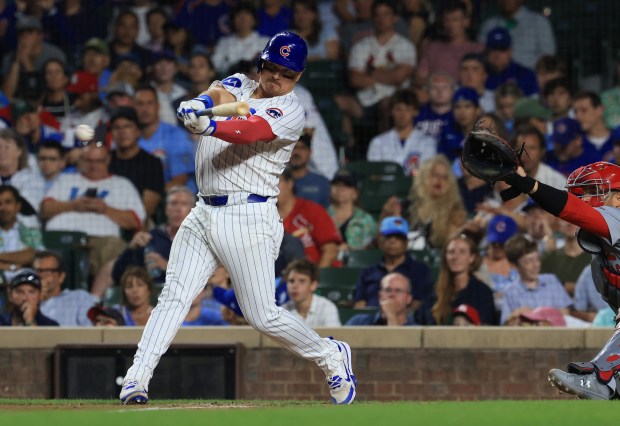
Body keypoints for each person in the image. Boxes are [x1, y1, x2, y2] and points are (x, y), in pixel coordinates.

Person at [119, 32, 357, 406]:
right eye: (272, 68)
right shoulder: (241, 83)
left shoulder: (292, 110)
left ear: (299, 76)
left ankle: (330, 355)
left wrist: (206, 124)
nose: (277, 77)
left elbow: (249, 131)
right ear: (261, 63)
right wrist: (198, 103)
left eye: (287, 73)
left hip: (249, 215)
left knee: (262, 315)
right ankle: (136, 379)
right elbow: (218, 95)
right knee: (173, 298)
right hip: (203, 211)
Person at [40, 143, 146, 278]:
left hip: (100, 241)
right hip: (59, 239)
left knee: (116, 249)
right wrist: (73, 205)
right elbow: (45, 209)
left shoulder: (122, 184)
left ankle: (100, 297)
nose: (93, 165)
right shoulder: (66, 179)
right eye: (88, 160)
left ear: (108, 160)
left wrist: (105, 209)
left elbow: (135, 221)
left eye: (98, 161)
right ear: (81, 161)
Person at [353, 216, 432, 309]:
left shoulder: (419, 270)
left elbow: (418, 303)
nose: (392, 241)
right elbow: (359, 304)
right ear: (380, 242)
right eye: (388, 237)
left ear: (406, 243)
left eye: (398, 237)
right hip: (372, 321)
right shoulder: (368, 273)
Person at [417, 233, 496, 325]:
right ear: (445, 257)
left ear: (471, 258)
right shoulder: (433, 292)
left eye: (462, 252)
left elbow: (486, 325)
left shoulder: (482, 292)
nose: (456, 257)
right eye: (451, 252)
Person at [500, 235, 572, 326]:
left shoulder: (552, 281)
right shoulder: (511, 292)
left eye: (537, 259)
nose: (536, 265)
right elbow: (507, 325)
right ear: (515, 266)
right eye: (528, 261)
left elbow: (566, 314)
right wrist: (515, 317)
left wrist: (534, 314)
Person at [108, 106, 165, 220]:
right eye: (116, 128)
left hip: (138, 222)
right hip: (105, 219)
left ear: (138, 131)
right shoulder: (105, 160)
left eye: (127, 126)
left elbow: (147, 209)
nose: (122, 132)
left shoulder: (152, 164)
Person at [278, 168, 341, 267]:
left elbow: (330, 250)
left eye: (276, 181)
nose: (270, 187)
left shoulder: (311, 210)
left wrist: (314, 279)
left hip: (313, 274)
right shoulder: (264, 215)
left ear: (290, 183)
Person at [366, 89, 436, 176]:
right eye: (398, 109)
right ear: (392, 112)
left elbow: (427, 174)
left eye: (408, 109)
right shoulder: (378, 142)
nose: (402, 114)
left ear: (415, 112)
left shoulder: (427, 142)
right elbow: (373, 174)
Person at [407, 155, 467, 249]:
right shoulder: (408, 207)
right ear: (424, 177)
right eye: (435, 175)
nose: (439, 180)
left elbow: (451, 247)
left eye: (445, 177)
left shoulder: (455, 212)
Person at [477, 0, 555, 69]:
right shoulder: (489, 25)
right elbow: (481, 55)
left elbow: (548, 57)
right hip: (495, 78)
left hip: (529, 80)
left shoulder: (539, 22)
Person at [416, 0, 482, 81]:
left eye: (455, 20)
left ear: (466, 22)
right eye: (447, 20)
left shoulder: (478, 49)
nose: (450, 25)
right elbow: (420, 78)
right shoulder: (433, 48)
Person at [35, 250, 96, 326]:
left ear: (61, 277)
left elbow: (90, 330)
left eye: (48, 271)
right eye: (38, 271)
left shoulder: (79, 298)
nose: (42, 276)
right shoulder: (29, 300)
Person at [211, 2, 270, 74]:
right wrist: (234, 66)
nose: (243, 18)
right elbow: (215, 64)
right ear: (232, 20)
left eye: (247, 14)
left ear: (254, 20)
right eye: (239, 14)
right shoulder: (224, 42)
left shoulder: (265, 42)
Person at [327, 170, 377, 253]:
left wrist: (351, 249)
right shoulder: (321, 215)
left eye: (347, 185)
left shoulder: (366, 219)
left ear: (355, 193)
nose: (340, 188)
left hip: (358, 263)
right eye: (336, 185)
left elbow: (372, 245)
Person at [283, 259, 341, 327]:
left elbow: (335, 336)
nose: (295, 286)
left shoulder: (327, 308)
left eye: (302, 281)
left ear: (313, 285)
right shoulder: (283, 311)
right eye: (291, 281)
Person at [483, 27, 538, 97]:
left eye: (502, 50)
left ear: (510, 51)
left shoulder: (526, 76)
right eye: (493, 49)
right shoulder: (479, 75)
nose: (497, 55)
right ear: (487, 51)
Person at [347, 272, 417, 326]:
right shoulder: (358, 322)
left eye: (398, 291)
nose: (392, 295)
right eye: (388, 290)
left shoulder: (416, 331)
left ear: (408, 299)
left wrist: (391, 316)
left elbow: (397, 344)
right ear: (380, 296)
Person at [288, 132, 331, 207]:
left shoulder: (322, 183)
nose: (297, 152)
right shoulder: (276, 181)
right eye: (293, 148)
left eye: (302, 148)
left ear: (310, 152)